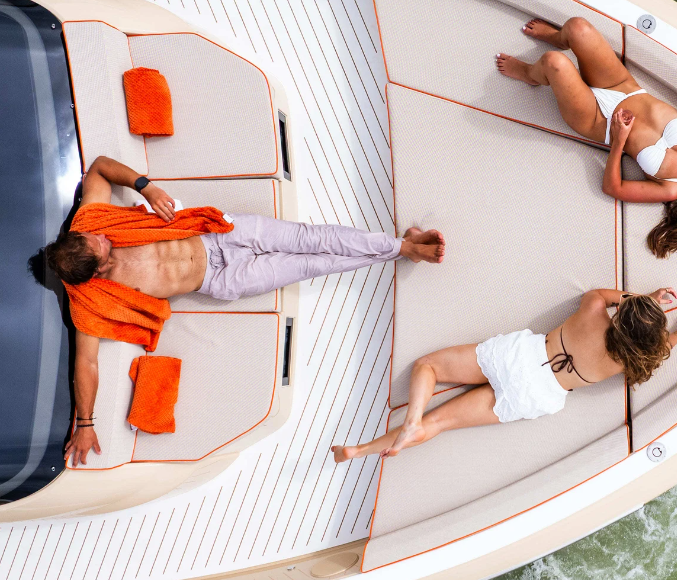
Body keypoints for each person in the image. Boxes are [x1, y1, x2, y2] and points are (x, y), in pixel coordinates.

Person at [30, 156, 446, 466]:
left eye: (92, 236)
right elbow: (85, 364)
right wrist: (84, 424)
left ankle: (401, 245)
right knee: (312, 263)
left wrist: (146, 187)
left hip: (217, 234)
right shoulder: (90, 302)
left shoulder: (90, 222)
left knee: (308, 238)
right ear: (95, 272)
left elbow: (100, 168)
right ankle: (403, 250)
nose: (102, 236)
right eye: (99, 246)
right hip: (221, 281)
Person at [331, 287, 677, 462]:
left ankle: (409, 418)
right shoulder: (628, 362)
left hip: (521, 357)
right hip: (539, 395)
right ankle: (364, 450)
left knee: (428, 367)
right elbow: (659, 349)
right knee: (441, 422)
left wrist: (642, 300)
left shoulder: (594, 310)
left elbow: (609, 295)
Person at [496, 17, 677, 257]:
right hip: (623, 87)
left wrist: (619, 140)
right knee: (579, 28)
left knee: (554, 63)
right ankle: (557, 37)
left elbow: (613, 188)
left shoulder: (673, 187)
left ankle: (530, 75)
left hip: (597, 121)